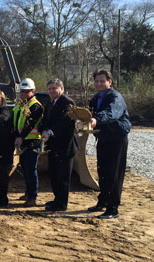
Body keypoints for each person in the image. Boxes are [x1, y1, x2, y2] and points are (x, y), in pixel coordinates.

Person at [88, 69, 131, 219]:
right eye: (97, 81)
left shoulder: (115, 97)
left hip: (116, 139)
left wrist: (96, 120)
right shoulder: (95, 98)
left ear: (109, 82)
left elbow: (111, 113)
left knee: (114, 174)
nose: (99, 84)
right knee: (103, 172)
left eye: (102, 81)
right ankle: (103, 201)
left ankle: (113, 209)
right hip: (104, 138)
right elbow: (89, 113)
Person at [41, 79, 79, 211]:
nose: (51, 91)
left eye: (54, 88)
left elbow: (65, 121)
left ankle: (62, 204)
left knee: (63, 176)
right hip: (53, 145)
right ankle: (57, 199)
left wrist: (50, 131)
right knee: (54, 174)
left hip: (65, 146)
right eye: (49, 89)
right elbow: (45, 120)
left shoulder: (68, 103)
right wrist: (44, 130)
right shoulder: (49, 103)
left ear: (61, 89)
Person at [13, 78, 44, 207]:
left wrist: (22, 137)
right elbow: (17, 122)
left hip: (32, 141)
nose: (24, 94)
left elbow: (30, 125)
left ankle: (32, 196)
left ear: (32, 91)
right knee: (25, 168)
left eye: (27, 92)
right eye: (22, 92)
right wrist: (16, 135)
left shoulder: (35, 106)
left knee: (31, 169)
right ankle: (28, 192)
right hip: (23, 141)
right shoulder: (22, 104)